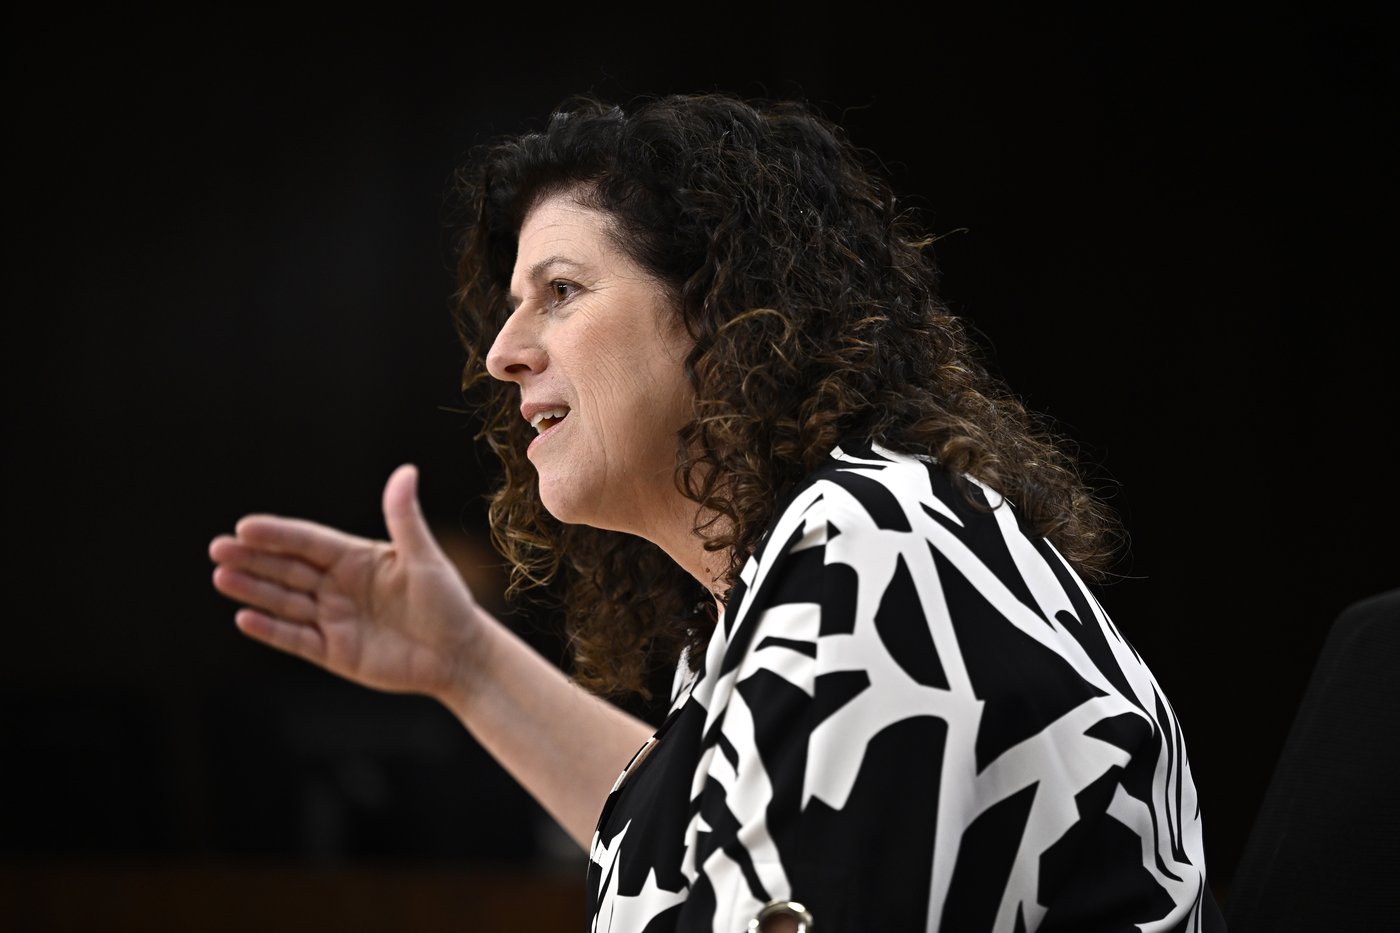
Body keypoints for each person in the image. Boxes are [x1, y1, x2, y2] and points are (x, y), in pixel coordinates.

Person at [210, 94, 1223, 932]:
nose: (503, 353)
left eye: (559, 290)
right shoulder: (816, 571)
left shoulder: (869, 548)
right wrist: (464, 665)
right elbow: (684, 849)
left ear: (723, 310)